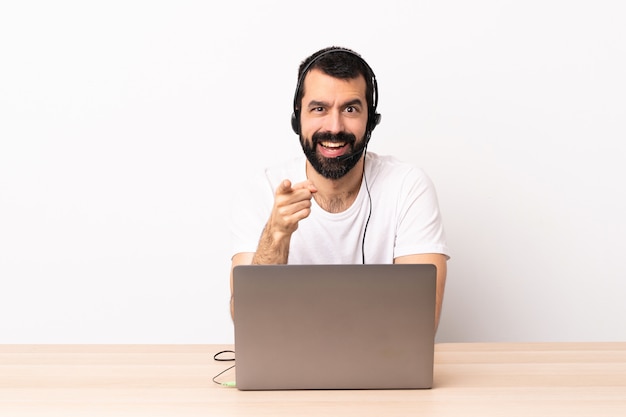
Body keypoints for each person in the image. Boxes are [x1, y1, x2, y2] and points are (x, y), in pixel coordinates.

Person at [229, 46, 450, 330]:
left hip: (382, 369)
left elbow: (421, 322)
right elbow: (249, 322)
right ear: (298, 119)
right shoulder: (261, 190)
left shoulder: (408, 187)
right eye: (319, 108)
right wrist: (276, 234)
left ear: (370, 121)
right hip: (288, 373)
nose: (334, 127)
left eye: (350, 109)